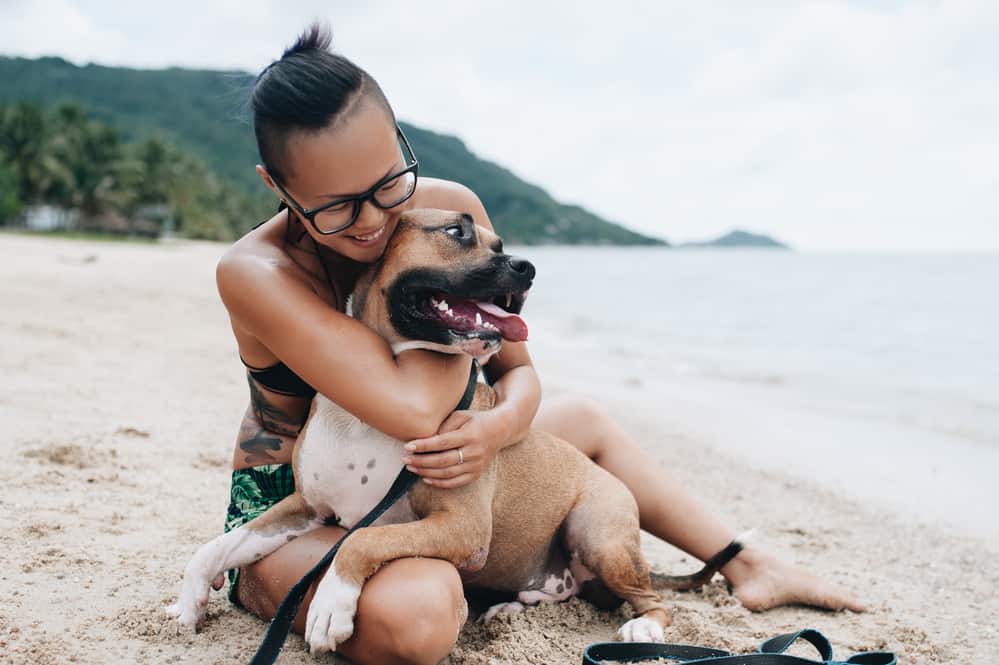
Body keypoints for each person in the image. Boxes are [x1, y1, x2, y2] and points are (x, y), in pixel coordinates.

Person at [214, 23, 863, 665]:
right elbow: (415, 408)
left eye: (389, 181)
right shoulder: (259, 273)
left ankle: (744, 563)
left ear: (401, 141)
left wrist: (496, 429)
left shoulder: (444, 213)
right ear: (278, 188)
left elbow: (518, 369)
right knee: (419, 618)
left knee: (580, 419)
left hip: (413, 468)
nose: (377, 221)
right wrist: (466, 343)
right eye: (339, 206)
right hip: (308, 497)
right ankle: (279, 578)